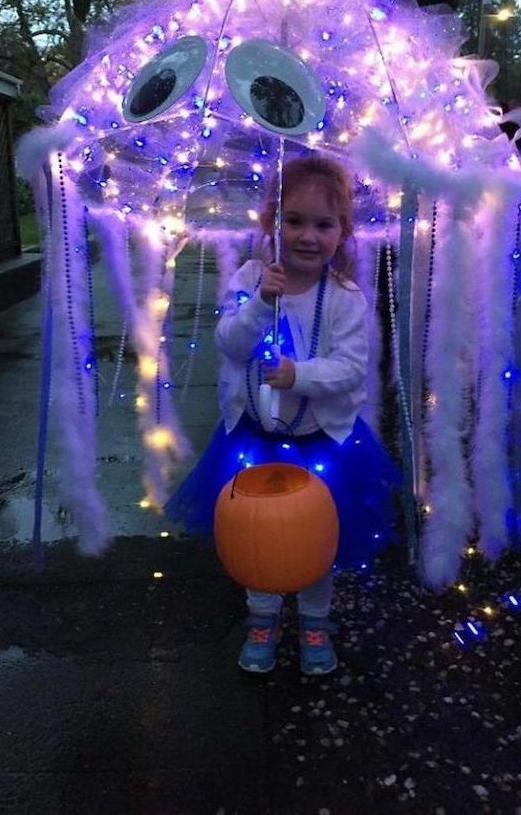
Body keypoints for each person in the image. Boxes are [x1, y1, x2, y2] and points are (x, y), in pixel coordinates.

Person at [166, 154, 399, 676]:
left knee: (317, 535)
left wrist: (299, 376)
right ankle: (263, 617)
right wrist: (257, 307)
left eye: (323, 224)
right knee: (259, 536)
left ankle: (314, 620)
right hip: (254, 439)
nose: (308, 237)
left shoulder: (344, 297)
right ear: (272, 223)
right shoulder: (252, 277)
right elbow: (228, 343)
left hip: (321, 443)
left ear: (343, 232)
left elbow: (351, 368)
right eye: (294, 221)